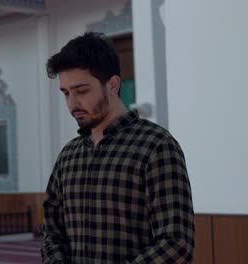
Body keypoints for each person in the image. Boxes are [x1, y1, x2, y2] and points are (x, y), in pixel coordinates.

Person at [41, 32, 195, 263]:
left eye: (81, 91)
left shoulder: (156, 146)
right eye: (66, 93)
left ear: (112, 85)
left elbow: (176, 243)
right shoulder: (68, 156)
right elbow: (52, 233)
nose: (72, 104)